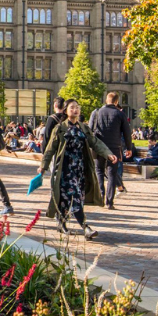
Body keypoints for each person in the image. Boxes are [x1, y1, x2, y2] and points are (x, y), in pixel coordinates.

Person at [37, 98, 117, 239]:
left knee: (71, 198)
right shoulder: (60, 128)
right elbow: (50, 149)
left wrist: (108, 154)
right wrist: (43, 167)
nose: (75, 110)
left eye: (77, 107)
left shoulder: (84, 128)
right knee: (74, 198)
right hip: (65, 170)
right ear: (66, 111)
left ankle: (61, 223)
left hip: (80, 170)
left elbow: (96, 143)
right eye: (72, 107)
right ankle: (86, 228)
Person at [89, 92, 134, 209]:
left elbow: (89, 130)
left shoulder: (96, 112)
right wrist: (129, 148)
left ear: (106, 100)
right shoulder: (120, 114)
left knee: (98, 171)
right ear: (116, 102)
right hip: (114, 147)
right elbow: (127, 133)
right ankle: (110, 202)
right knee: (112, 174)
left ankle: (101, 196)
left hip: (98, 147)